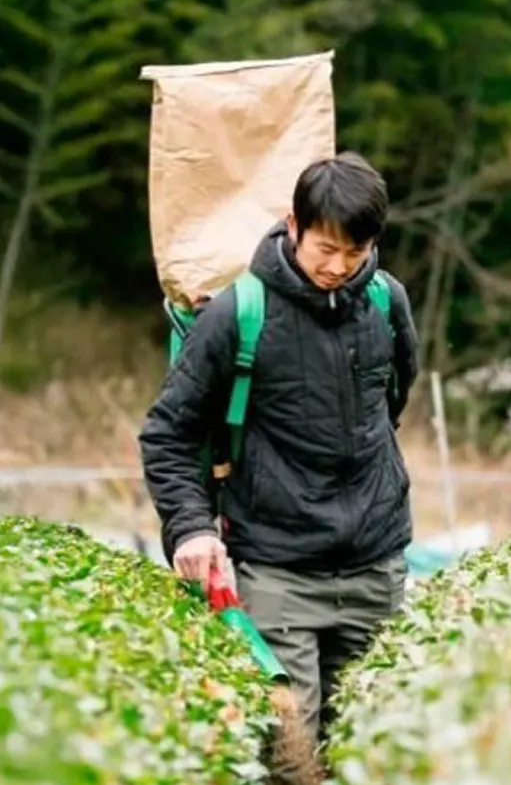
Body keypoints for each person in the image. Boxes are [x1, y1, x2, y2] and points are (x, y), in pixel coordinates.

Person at [138, 152, 420, 743]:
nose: (339, 267)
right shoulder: (241, 313)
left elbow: (391, 401)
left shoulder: (386, 304)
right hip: (278, 572)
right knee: (288, 746)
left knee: (373, 746)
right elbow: (169, 432)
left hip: (377, 566)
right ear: (294, 226)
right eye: (326, 249)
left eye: (356, 252)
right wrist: (191, 527)